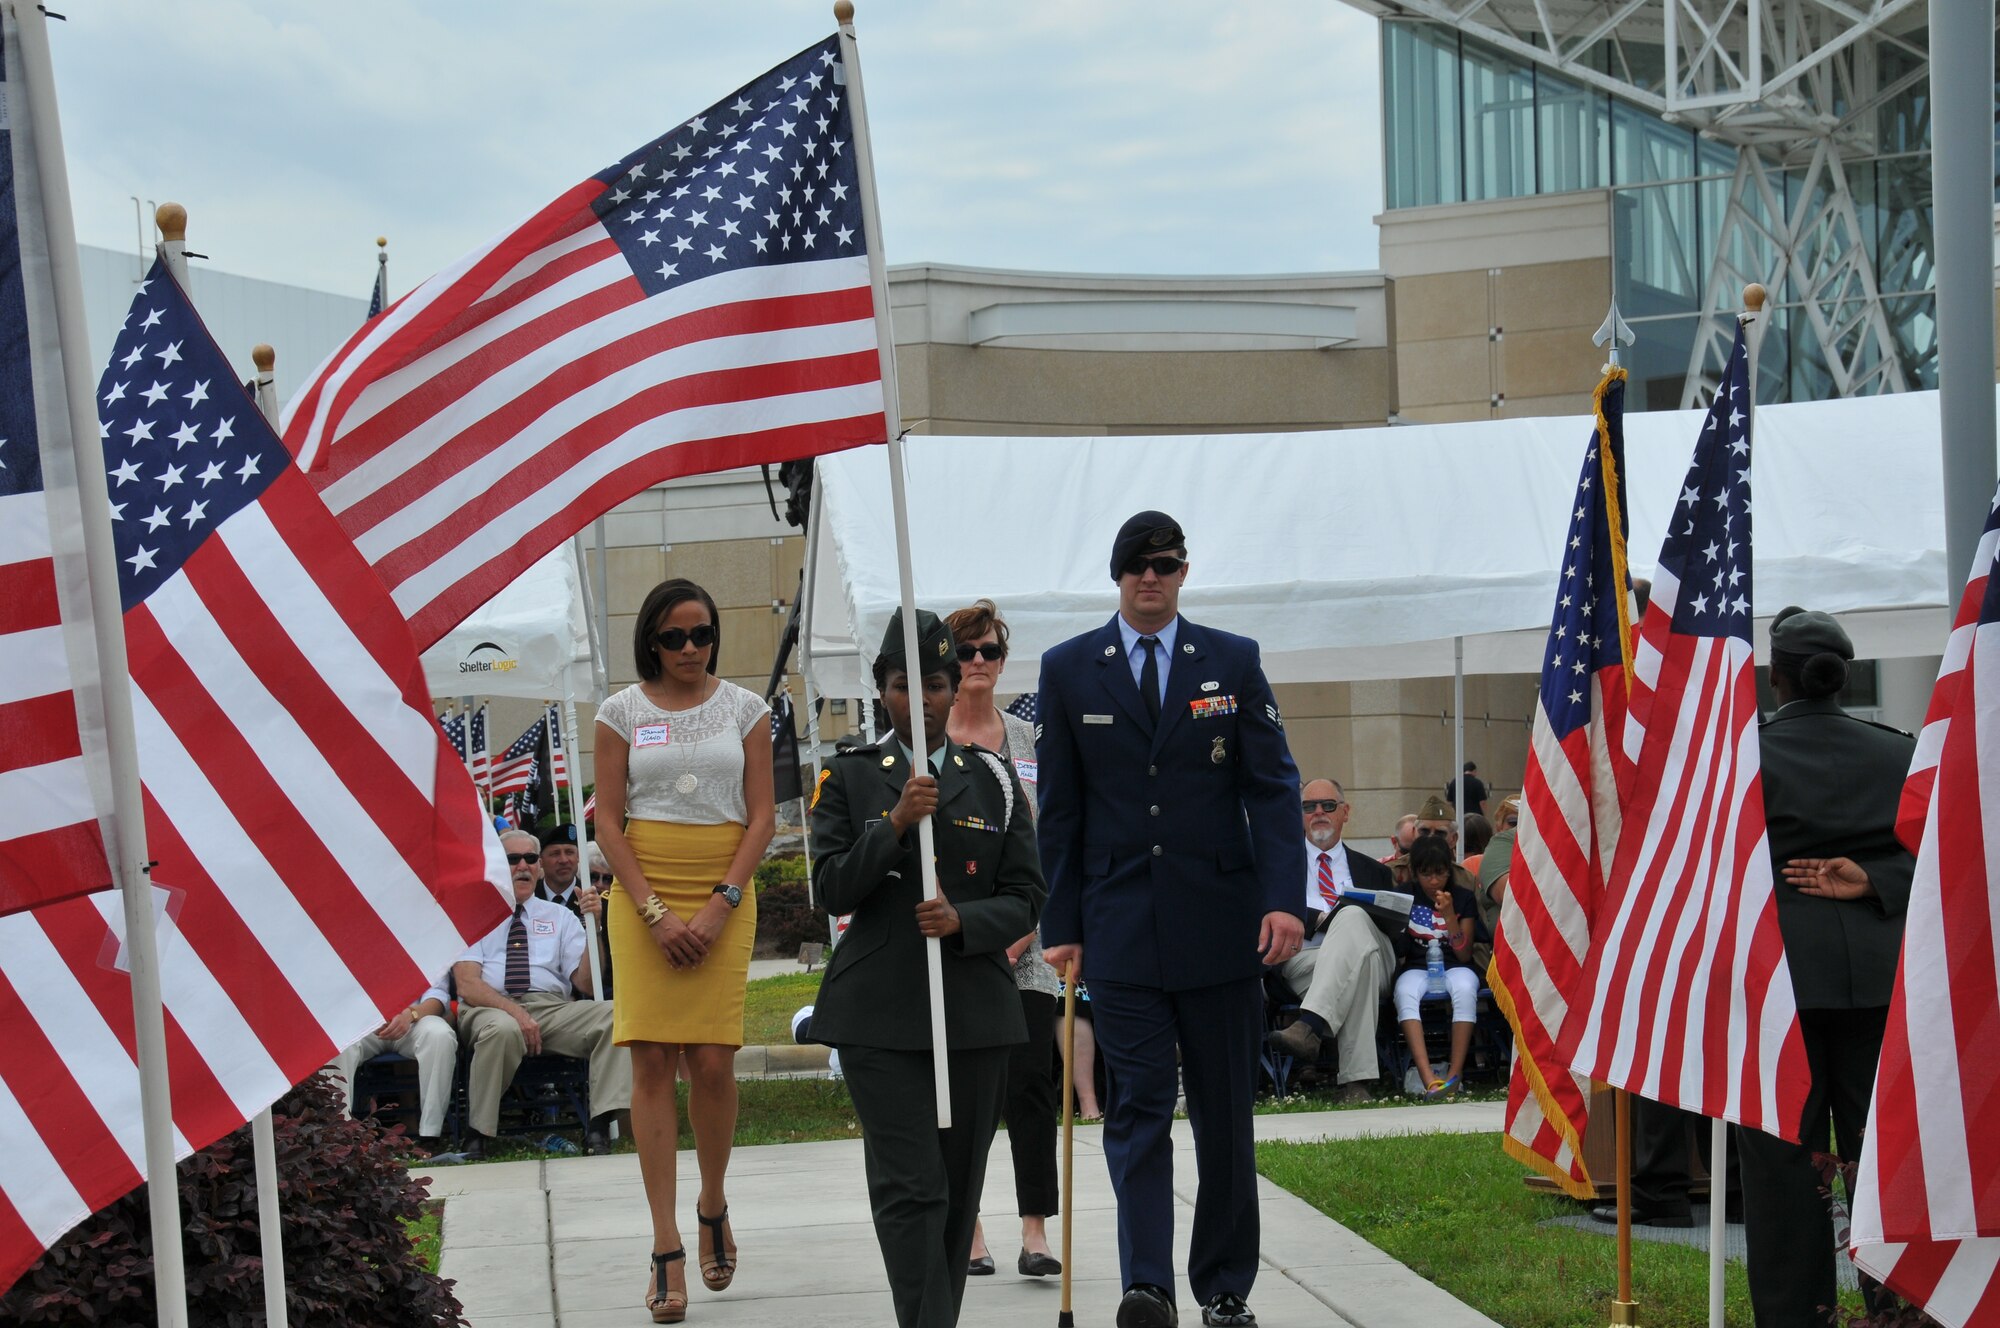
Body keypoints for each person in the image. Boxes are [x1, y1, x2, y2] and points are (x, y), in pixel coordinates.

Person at [1037, 511, 1305, 1328]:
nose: (1148, 579)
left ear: (1183, 572)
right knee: (1139, 1111)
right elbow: (1061, 811)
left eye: (1163, 565)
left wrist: (1284, 900)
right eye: (1134, 566)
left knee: (1225, 1117)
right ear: (1116, 576)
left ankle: (1225, 1288)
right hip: (1119, 929)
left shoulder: (1231, 660)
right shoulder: (1070, 668)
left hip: (1221, 928)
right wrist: (1063, 922)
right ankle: (1145, 1284)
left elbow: (1272, 787)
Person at [810, 608, 1046, 1328]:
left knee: (955, 1190)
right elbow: (830, 887)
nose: (923, 701)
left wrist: (964, 922)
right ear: (883, 691)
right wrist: (895, 826)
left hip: (974, 1010)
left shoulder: (995, 781)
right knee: (911, 1188)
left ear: (953, 689)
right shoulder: (849, 776)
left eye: (936, 684)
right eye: (904, 686)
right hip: (880, 1015)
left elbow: (1027, 895)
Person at [594, 578, 776, 1323]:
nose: (691, 649)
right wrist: (657, 912)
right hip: (643, 895)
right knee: (649, 1060)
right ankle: (667, 1245)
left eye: (701, 634)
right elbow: (607, 822)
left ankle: (712, 1202)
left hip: (724, 889)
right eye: (674, 637)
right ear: (651, 641)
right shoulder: (619, 712)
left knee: (710, 1060)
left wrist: (721, 902)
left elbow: (763, 816)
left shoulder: (748, 709)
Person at [1737, 607, 1913, 1328]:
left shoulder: (1748, 759)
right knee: (1886, 1156)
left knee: (1783, 1166)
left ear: (1776, 677)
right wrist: (1874, 880)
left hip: (1781, 983)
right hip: (1879, 979)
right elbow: (1944, 851)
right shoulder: (1899, 754)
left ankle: (1794, 1317)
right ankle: (1900, 1309)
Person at [944, 599, 1063, 1281]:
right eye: (967, 652)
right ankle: (970, 1229)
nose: (980, 663)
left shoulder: (1028, 740)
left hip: (1028, 941)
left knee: (1028, 1088)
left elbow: (1045, 844)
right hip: (954, 942)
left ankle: (1035, 1230)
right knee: (963, 1095)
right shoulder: (932, 740)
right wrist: (972, 933)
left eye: (991, 651)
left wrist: (1018, 934)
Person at [453, 829, 630, 1160]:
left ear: (538, 867)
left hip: (551, 1009)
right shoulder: (473, 912)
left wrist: (596, 927)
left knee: (615, 1015)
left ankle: (599, 1124)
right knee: (502, 1030)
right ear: (496, 865)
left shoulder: (561, 917)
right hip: (488, 1006)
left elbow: (587, 985)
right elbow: (467, 985)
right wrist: (517, 1015)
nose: (523, 866)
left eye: (530, 859)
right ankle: (477, 1135)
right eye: (513, 859)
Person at [1264, 778, 1400, 1103]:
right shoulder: (1277, 868)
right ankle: (1356, 1084)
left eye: (1328, 805)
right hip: (1303, 960)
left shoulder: (1375, 871)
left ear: (1345, 812)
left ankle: (1308, 1024)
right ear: (1298, 815)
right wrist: (1319, 919)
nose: (1319, 812)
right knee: (1358, 966)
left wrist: (1346, 916)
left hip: (1378, 954)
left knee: (1353, 917)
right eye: (1309, 807)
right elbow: (1263, 915)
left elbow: (1396, 929)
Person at [1391, 835, 1478, 1098]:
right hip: (1417, 965)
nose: (1433, 881)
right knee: (1405, 993)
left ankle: (1455, 1074)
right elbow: (1399, 949)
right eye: (1426, 874)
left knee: (1465, 989)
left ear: (1449, 871)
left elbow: (1464, 955)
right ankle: (1429, 1078)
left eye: (1440, 873)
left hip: (1453, 965)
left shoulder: (1463, 898)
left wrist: (1450, 916)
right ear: (1415, 873)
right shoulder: (1404, 897)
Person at [326, 976, 456, 1151]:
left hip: (413, 1019)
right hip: (362, 1024)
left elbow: (438, 995)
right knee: (335, 1043)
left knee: (440, 1035)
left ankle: (430, 1136)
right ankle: (339, 1137)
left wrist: (411, 1014)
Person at [538, 821, 613, 997]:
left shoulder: (597, 902)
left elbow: (609, 966)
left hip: (588, 995)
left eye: (570, 852)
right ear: (541, 861)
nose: (564, 860)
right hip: (541, 992)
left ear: (578, 858)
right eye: (555, 853)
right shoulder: (529, 900)